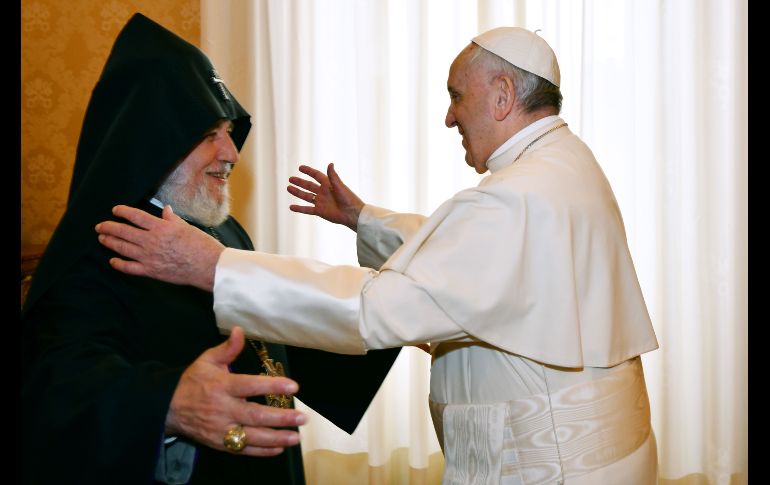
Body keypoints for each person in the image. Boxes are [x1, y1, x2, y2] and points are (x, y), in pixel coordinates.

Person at [96, 26, 660, 484]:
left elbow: (372, 309)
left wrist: (212, 266)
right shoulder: (562, 163)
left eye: (455, 96)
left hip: (549, 467)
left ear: (503, 96)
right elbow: (471, 258)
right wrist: (362, 219)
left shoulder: (516, 196)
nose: (449, 116)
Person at [21, 13, 399, 485]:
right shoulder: (101, 246)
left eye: (228, 131)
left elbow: (275, 339)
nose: (232, 153)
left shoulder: (226, 232)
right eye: (208, 135)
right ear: (151, 142)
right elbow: (54, 388)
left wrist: (388, 319)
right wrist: (169, 403)